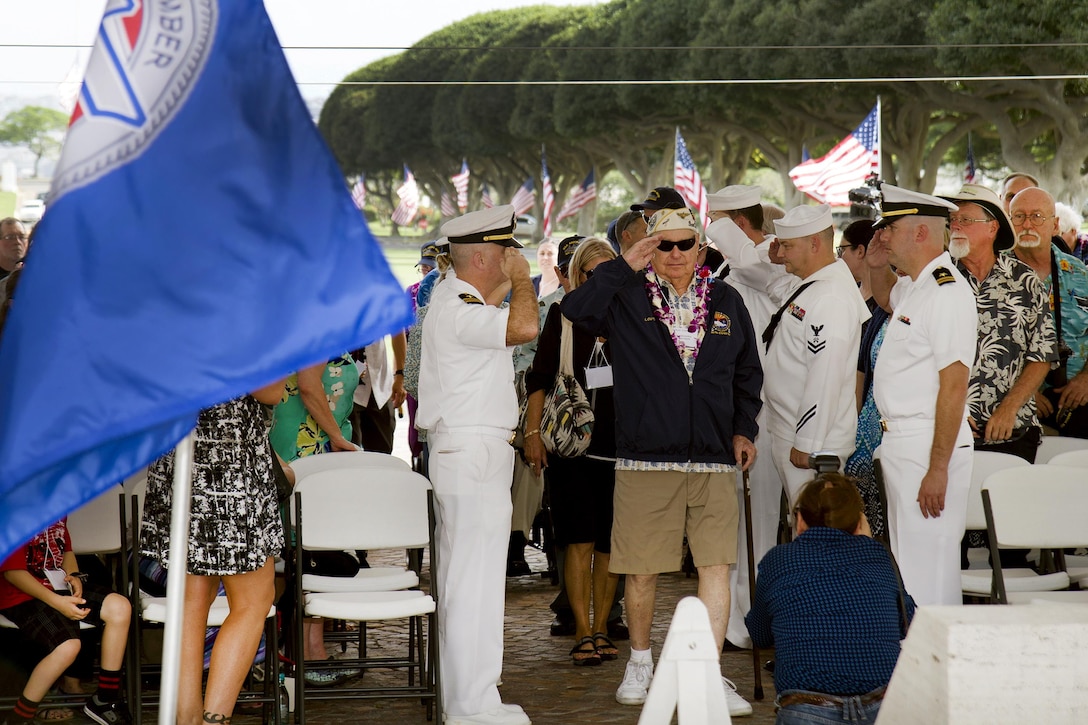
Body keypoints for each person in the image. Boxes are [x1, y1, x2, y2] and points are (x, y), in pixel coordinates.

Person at [562, 206, 761, 717]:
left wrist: (743, 429)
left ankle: (710, 674)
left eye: (683, 244)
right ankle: (641, 662)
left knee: (716, 567)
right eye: (663, 245)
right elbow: (575, 310)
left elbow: (747, 373)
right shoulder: (626, 295)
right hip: (646, 458)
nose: (674, 255)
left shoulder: (726, 299)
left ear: (700, 247)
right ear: (649, 247)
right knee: (642, 569)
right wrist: (623, 265)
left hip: (715, 457)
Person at [417, 205, 538, 725]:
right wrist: (524, 279)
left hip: (469, 448)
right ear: (486, 255)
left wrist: (504, 280)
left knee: (477, 582)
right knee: (472, 584)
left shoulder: (454, 296)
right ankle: (469, 706)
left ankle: (473, 698)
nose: (515, 257)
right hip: (470, 449)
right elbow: (525, 325)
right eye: (507, 251)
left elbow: (494, 305)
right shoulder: (457, 303)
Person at [142, 385, 285, 725]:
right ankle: (212, 721)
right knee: (253, 600)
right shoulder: (246, 326)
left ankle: (186, 719)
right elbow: (271, 390)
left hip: (178, 445)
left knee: (191, 601)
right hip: (228, 454)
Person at [869, 184, 976, 607]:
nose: (882, 237)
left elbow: (954, 387)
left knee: (928, 569)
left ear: (919, 233)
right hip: (904, 443)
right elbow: (883, 298)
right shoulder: (918, 285)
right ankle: (916, 662)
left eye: (889, 228)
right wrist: (877, 265)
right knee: (909, 566)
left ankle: (936, 664)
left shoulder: (947, 292)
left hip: (927, 444)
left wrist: (937, 467)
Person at [746, 474, 914, 725]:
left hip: (806, 708)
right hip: (881, 707)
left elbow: (759, 635)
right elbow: (907, 622)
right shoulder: (878, 556)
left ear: (800, 520)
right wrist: (867, 543)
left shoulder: (778, 561)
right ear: (859, 522)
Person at [523, 237, 619, 667]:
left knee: (611, 544)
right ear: (575, 276)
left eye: (608, 273)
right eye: (589, 274)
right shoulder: (563, 316)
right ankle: (583, 629)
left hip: (621, 446)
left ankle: (603, 626)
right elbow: (539, 377)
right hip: (571, 446)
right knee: (579, 540)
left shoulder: (631, 315)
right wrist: (531, 434)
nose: (599, 282)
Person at [704, 184, 787, 649]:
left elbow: (751, 260)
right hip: (742, 412)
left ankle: (757, 614)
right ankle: (739, 615)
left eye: (715, 224)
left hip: (772, 413)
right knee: (737, 522)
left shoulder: (765, 263)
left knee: (759, 523)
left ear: (735, 225)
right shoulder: (731, 271)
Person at [763, 204, 870, 507]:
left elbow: (826, 375)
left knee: (815, 531)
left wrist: (807, 442)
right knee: (802, 525)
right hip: (793, 431)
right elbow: (777, 290)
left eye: (787, 245)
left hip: (815, 445)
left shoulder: (831, 296)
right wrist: (774, 261)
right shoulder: (812, 282)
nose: (780, 253)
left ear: (814, 244)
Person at [942, 183, 1056, 461]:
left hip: (1012, 430)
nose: (956, 226)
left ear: (992, 228)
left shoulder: (1024, 280)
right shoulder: (937, 279)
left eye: (966, 220)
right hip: (949, 431)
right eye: (953, 220)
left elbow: (1041, 355)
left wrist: (1009, 408)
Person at [268, 353, 361, 685]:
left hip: (323, 439)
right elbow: (309, 387)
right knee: (311, 550)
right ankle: (306, 656)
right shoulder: (322, 315)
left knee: (314, 552)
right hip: (307, 444)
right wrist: (337, 436)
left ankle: (306, 652)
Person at [0, 519, 134, 725]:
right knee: (68, 646)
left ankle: (105, 699)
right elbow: (12, 573)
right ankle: (19, 717)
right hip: (22, 597)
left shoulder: (58, 506)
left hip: (58, 589)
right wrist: (58, 603)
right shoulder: (15, 510)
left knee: (120, 607)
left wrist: (74, 577)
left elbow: (66, 550)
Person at [1010, 186, 1088, 439]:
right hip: (1012, 411)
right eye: (1019, 217)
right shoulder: (991, 277)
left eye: (1037, 216)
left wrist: (1086, 379)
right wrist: (1023, 391)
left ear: (1055, 226)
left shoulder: (1080, 275)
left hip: (1078, 407)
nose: (1027, 224)